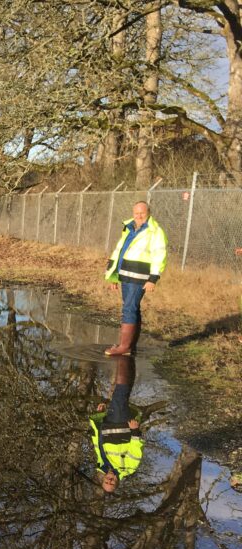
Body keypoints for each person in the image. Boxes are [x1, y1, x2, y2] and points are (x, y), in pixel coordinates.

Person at [103, 201, 167, 356]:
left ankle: (124, 347)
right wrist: (113, 276)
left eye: (142, 213)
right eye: (136, 213)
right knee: (132, 308)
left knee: (128, 309)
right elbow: (119, 252)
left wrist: (152, 279)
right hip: (125, 274)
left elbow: (159, 256)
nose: (138, 216)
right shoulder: (129, 227)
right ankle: (130, 346)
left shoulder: (155, 231)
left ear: (149, 213)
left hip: (139, 277)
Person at [90, 356, 143, 493]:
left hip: (107, 423)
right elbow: (135, 450)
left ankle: (130, 359)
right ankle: (124, 356)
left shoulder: (101, 465)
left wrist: (100, 417)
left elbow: (98, 441)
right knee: (120, 394)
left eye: (107, 481)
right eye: (112, 483)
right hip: (122, 425)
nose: (110, 480)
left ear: (103, 479)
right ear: (117, 482)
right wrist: (135, 431)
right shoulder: (128, 468)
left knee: (122, 394)